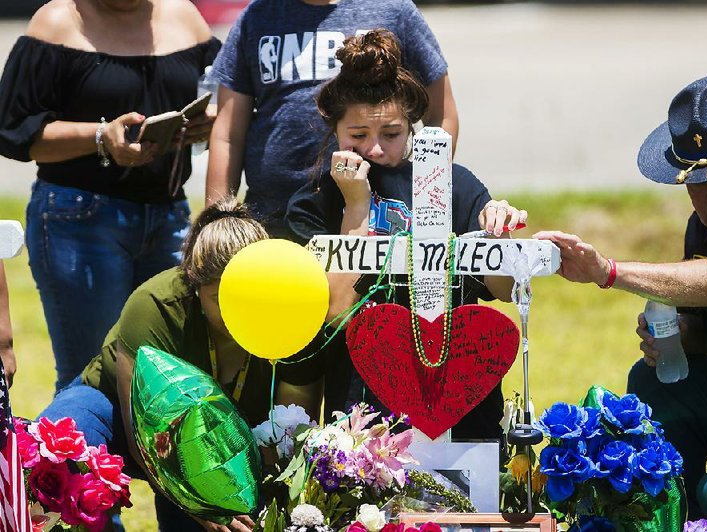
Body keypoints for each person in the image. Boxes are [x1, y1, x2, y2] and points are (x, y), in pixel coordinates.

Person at [534, 76, 707, 529]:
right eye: (697, 183)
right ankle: (669, 516)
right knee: (655, 379)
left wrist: (607, 272)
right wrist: (677, 334)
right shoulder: (704, 227)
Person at [283, 29, 525, 440]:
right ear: (335, 131)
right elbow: (336, 311)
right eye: (358, 136)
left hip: (460, 396)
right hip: (363, 405)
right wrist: (357, 206)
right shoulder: (318, 200)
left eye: (391, 134)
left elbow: (501, 289)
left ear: (411, 127)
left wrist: (499, 240)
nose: (375, 150)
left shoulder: (454, 184)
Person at [0, 0, 221, 392]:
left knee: (171, 379)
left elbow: (224, 92)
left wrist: (207, 123)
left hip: (170, 215)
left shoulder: (184, 15)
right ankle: (85, 456)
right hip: (79, 221)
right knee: (92, 376)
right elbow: (14, 131)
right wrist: (100, 137)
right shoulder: (56, 22)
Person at [39, 198, 280, 531]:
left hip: (217, 449)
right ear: (195, 287)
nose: (231, 310)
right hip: (124, 419)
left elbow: (289, 437)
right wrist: (198, 509)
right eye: (218, 298)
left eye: (242, 296)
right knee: (55, 456)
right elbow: (142, 436)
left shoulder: (285, 311)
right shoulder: (156, 303)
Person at [205, 0, 458, 238]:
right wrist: (214, 223)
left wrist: (422, 203)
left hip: (379, 218)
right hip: (272, 217)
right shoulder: (257, 16)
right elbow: (228, 135)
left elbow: (441, 117)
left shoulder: (393, 9)